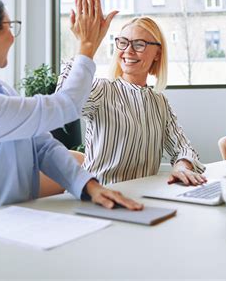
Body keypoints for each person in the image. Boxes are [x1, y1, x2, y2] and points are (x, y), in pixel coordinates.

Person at [0, 0, 143, 218]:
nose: (12, 37)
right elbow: (67, 104)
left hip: (7, 223)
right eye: (10, 27)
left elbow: (42, 147)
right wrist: (87, 47)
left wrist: (90, 187)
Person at [57, 16, 206, 186]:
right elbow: (62, 104)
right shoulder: (102, 90)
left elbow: (183, 149)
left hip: (142, 199)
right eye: (123, 42)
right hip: (100, 196)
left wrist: (182, 167)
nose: (128, 50)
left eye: (139, 44)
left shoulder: (160, 102)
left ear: (157, 53)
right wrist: (84, 46)